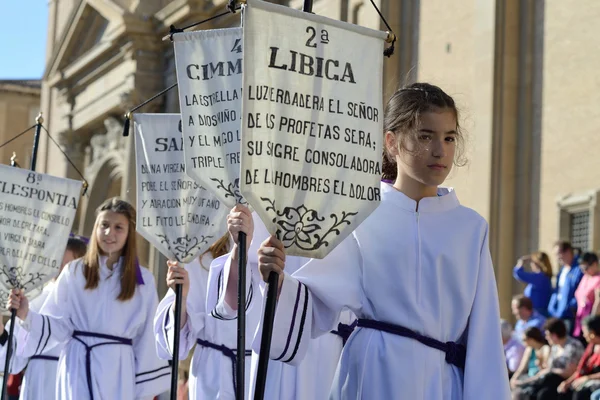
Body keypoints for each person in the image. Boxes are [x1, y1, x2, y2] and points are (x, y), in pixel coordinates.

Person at [246, 83, 510, 398]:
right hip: (369, 376)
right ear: (392, 142)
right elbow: (315, 302)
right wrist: (275, 281)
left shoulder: (470, 228)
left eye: (449, 137)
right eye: (425, 136)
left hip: (439, 386)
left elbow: (484, 337)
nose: (440, 150)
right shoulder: (361, 215)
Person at [7, 197, 170, 399]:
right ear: (96, 228)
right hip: (77, 367)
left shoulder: (142, 280)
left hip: (117, 371)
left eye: (118, 227)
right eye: (104, 225)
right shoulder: (75, 271)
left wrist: (143, 391)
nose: (110, 233)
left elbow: (146, 338)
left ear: (129, 234)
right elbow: (57, 323)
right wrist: (26, 314)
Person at [208, 209, 356, 399]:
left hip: (333, 353)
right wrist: (240, 245)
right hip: (278, 340)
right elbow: (231, 304)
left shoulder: (350, 198)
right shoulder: (267, 202)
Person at [154, 233, 259, 399]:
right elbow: (177, 342)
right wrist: (181, 295)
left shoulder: (270, 248)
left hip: (258, 372)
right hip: (211, 376)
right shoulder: (202, 254)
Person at [13, 237, 88, 400]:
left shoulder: (87, 302)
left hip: (71, 380)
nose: (61, 272)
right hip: (37, 380)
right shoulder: (35, 298)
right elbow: (13, 359)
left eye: (67, 266)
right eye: (58, 264)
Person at [556, 315, 600, 399]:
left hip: (595, 382)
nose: (583, 335)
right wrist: (568, 382)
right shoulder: (591, 347)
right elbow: (581, 369)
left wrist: (587, 378)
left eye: (585, 332)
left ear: (592, 333)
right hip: (587, 379)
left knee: (581, 393)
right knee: (564, 391)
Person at [549, 241, 584, 333]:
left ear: (568, 252)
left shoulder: (579, 269)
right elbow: (557, 291)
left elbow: (581, 292)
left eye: (558, 254)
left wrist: (570, 307)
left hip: (570, 315)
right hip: (559, 314)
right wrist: (552, 307)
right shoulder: (562, 270)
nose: (557, 258)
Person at [510, 327, 550, 399]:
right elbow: (522, 368)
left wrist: (523, 382)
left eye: (524, 340)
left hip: (538, 381)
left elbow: (543, 371)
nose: (523, 342)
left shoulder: (545, 349)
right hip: (528, 378)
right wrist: (513, 378)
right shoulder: (529, 349)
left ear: (531, 339)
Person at [573, 252, 600, 341]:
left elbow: (598, 302)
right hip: (580, 319)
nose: (584, 271)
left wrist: (591, 323)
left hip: (591, 322)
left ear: (595, 264)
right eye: (581, 269)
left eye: (586, 268)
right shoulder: (585, 277)